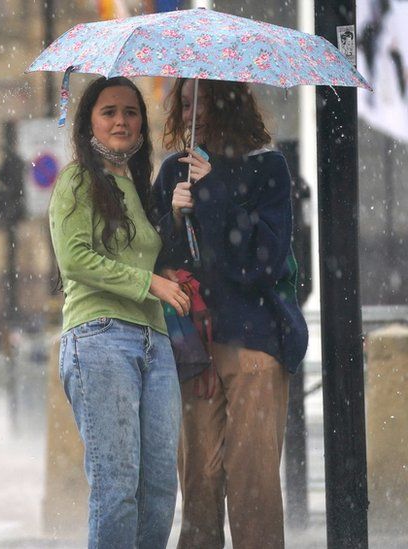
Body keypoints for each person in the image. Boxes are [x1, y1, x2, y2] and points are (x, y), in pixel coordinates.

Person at [153, 78, 307, 549]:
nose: (194, 114)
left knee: (252, 483)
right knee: (198, 481)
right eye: (184, 103)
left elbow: (263, 262)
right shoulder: (172, 171)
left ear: (232, 104)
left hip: (254, 342)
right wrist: (174, 217)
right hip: (193, 348)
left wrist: (215, 189)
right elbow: (158, 261)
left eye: (205, 102)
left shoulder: (268, 169)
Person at [49, 76, 190, 548]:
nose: (121, 121)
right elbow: (75, 259)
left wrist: (175, 212)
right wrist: (148, 283)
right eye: (109, 111)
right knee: (117, 489)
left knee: (159, 492)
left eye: (130, 112)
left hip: (155, 341)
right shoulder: (77, 179)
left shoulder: (138, 186)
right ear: (90, 121)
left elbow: (149, 253)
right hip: (99, 336)